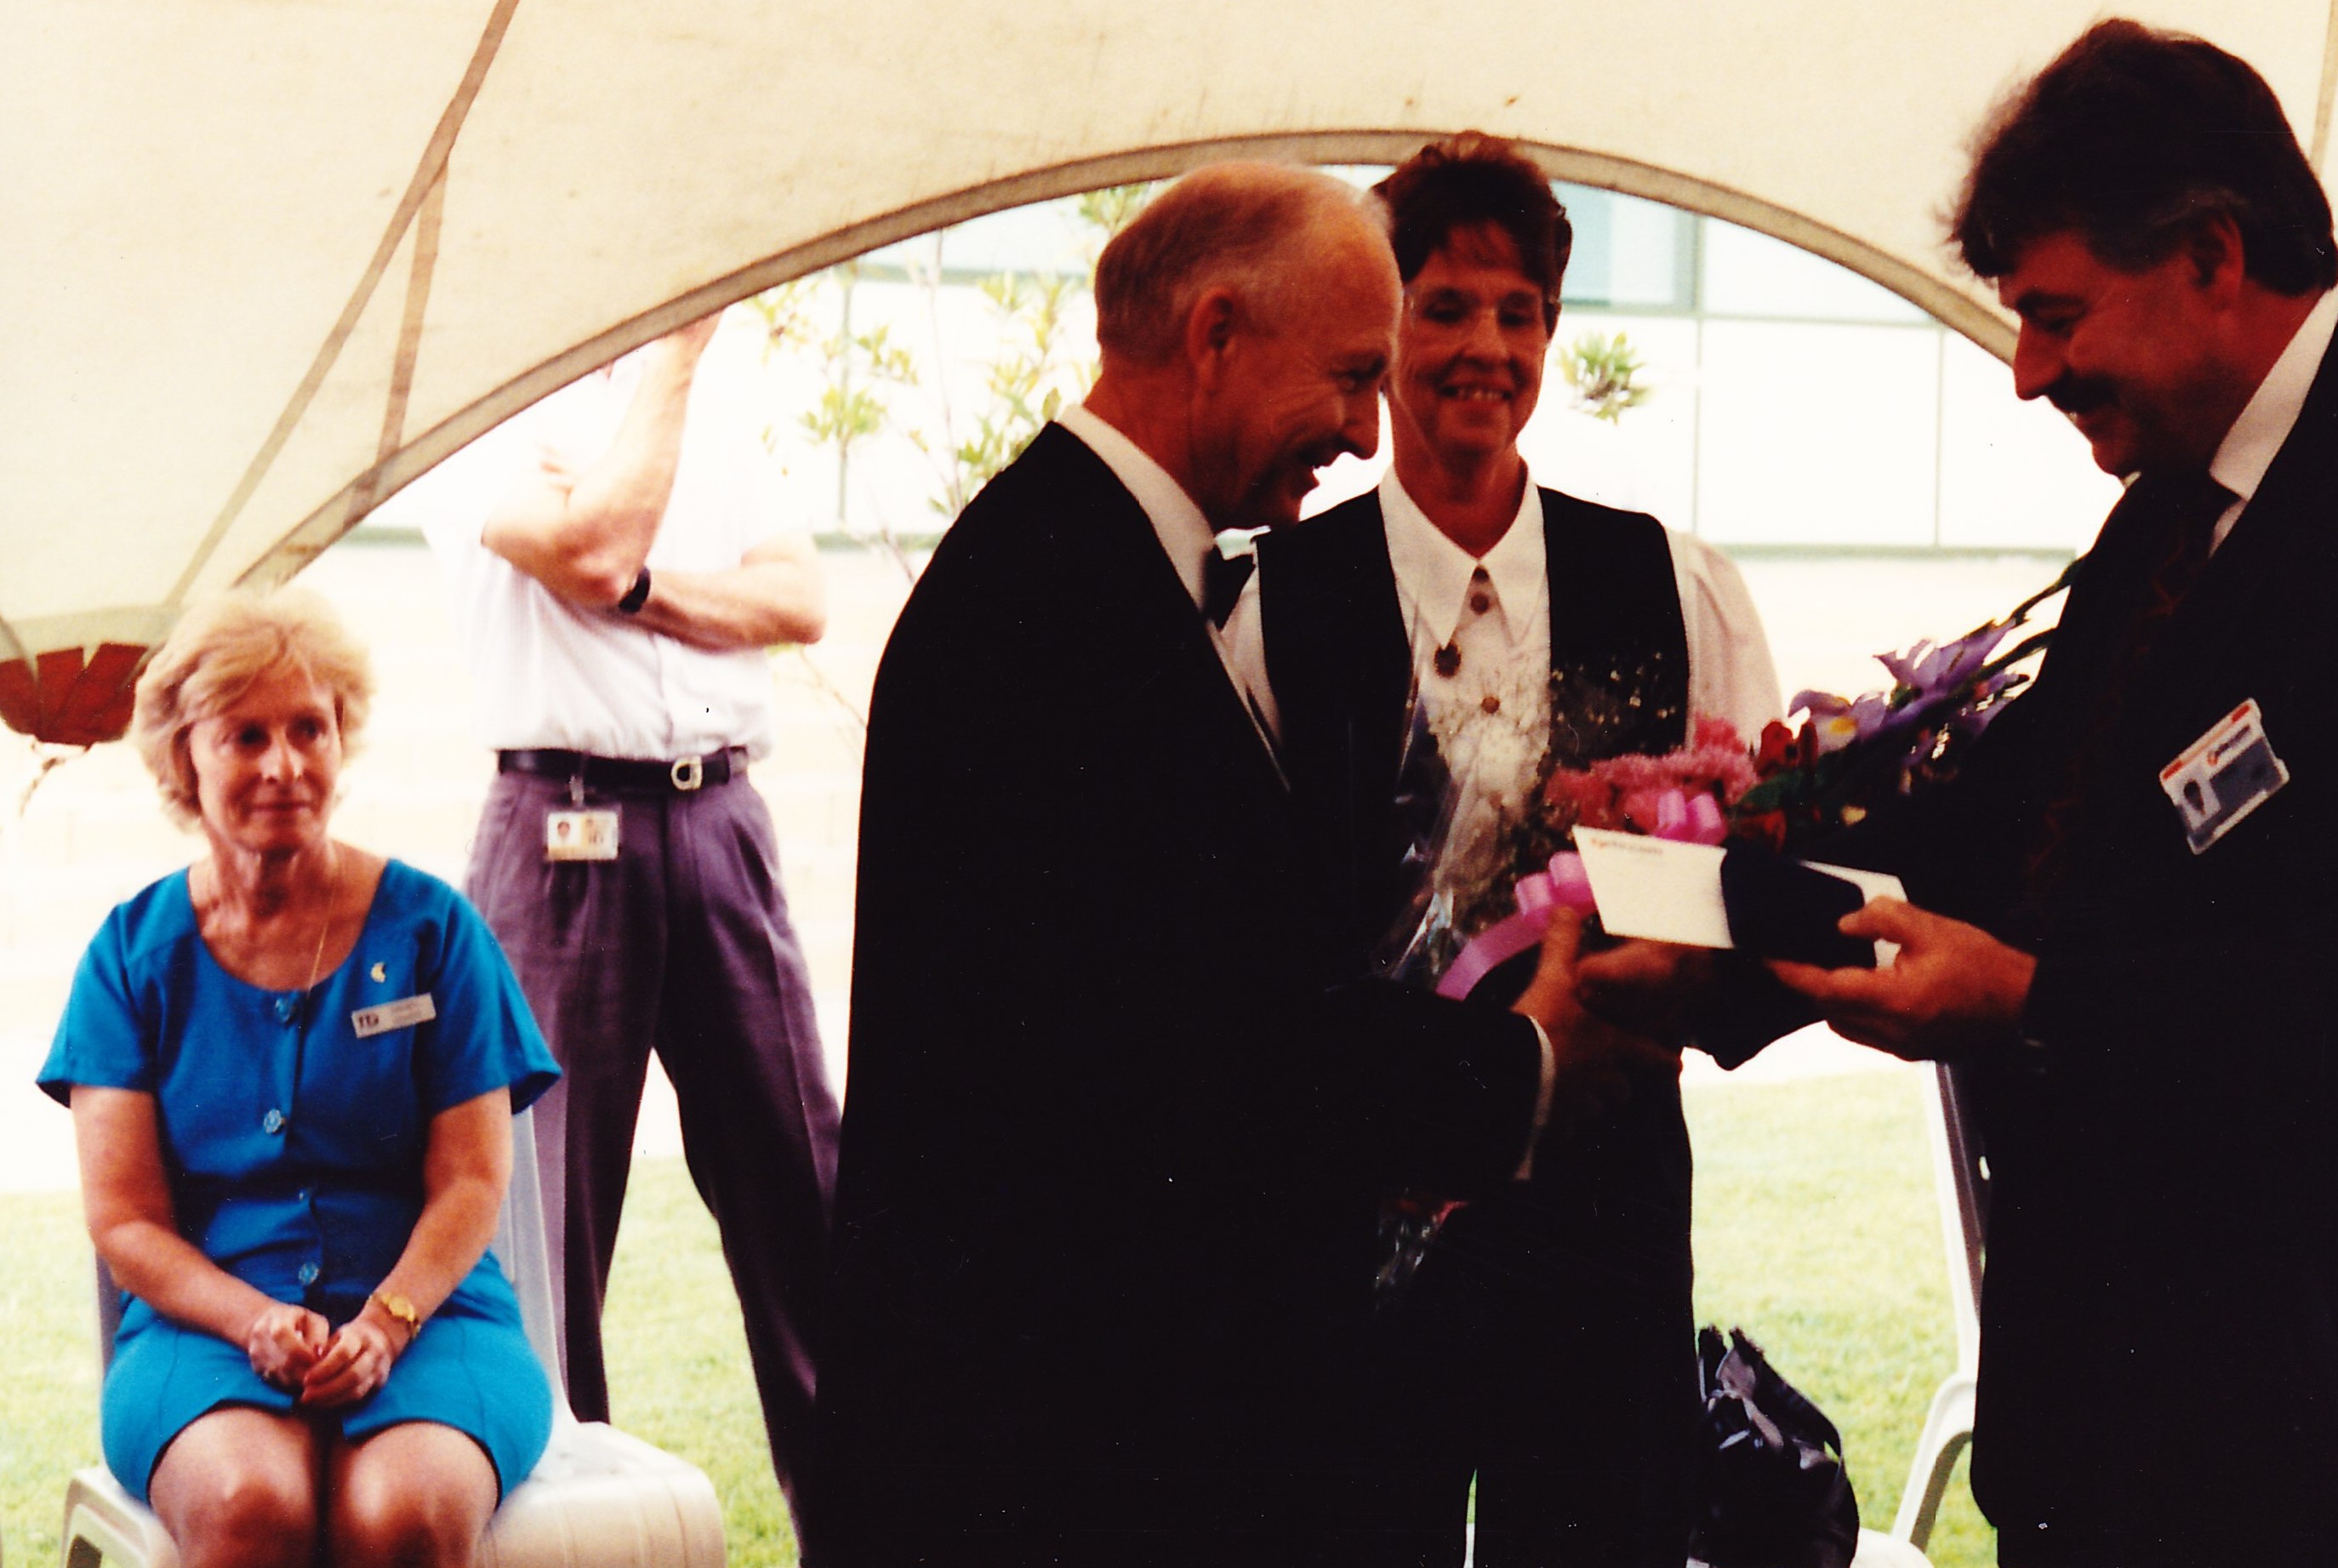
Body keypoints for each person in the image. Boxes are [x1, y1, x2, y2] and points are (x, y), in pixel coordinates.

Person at [1768, 20, 2338, 1564]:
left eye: (2056, 317)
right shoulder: (2179, 511)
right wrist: (1730, 897)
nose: (2027, 374)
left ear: (2210, 256)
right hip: (2165, 1424)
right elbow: (2023, 819)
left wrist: (2034, 999)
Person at [811, 160, 1671, 1568]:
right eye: (1348, 375)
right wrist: (1522, 1064)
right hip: (1034, 1440)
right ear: (1215, 333)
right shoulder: (1059, 606)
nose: (1360, 427)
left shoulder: (1080, 558)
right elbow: (1215, 1039)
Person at [1235, 133, 1782, 1567]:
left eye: (1518, 311)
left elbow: (1755, 879)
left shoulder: (1669, 580)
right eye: (1445, 307)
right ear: (1385, 332)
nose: (1485, 346)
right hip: (1364, 1209)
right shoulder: (1270, 602)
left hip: (1601, 1193)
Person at [418, 309, 839, 1556]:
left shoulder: (723, 393)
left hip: (723, 817)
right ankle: (562, 1533)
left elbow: (798, 597)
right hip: (561, 821)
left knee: (806, 1195)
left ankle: (866, 1524)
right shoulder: (482, 394)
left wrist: (647, 589)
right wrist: (676, 359)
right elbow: (588, 547)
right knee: (539, 1217)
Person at [38, 587, 560, 1568]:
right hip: (206, 1329)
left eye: (308, 728)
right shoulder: (128, 955)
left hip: (430, 1313)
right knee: (249, 1504)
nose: (284, 763)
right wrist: (253, 1319)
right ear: (185, 758)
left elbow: (471, 1180)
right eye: (246, 736)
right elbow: (126, 1220)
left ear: (340, 737)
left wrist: (388, 1321)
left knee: (405, 1511)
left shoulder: (435, 930)